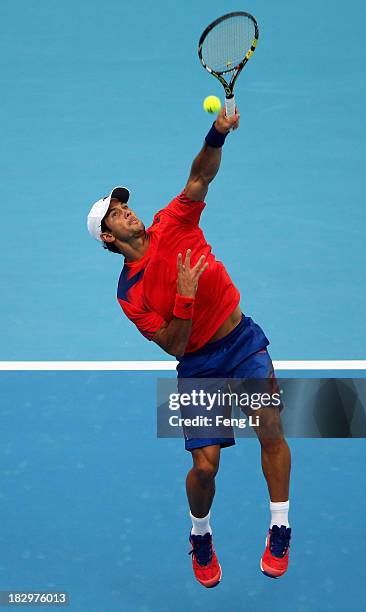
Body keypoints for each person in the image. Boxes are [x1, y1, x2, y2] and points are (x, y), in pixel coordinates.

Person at [87, 108, 292, 588]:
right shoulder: (129, 296)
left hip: (241, 342)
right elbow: (176, 344)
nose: (128, 211)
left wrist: (217, 133)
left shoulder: (172, 220)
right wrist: (183, 295)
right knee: (205, 468)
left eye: (124, 205)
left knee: (271, 428)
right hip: (198, 365)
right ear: (110, 239)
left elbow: (200, 176)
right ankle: (200, 533)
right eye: (117, 213)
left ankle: (280, 526)